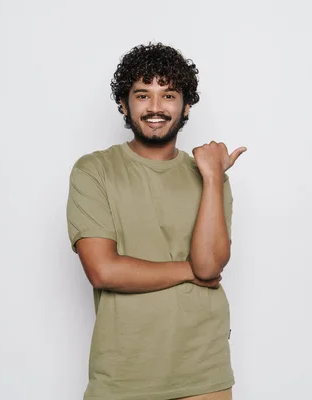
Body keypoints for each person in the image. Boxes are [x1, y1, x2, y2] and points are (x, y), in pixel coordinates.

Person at [66, 43, 247, 400]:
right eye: (142, 94)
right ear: (124, 104)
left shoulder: (211, 176)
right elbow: (104, 270)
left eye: (168, 95)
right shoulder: (94, 171)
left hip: (203, 369)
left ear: (186, 106)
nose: (155, 107)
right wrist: (190, 272)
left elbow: (210, 265)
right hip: (124, 373)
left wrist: (212, 176)